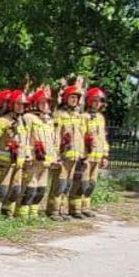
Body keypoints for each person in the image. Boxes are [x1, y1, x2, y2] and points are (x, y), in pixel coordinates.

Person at [48, 85, 86, 218]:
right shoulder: (59, 115)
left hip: (74, 157)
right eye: (72, 97)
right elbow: (55, 136)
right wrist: (55, 155)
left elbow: (80, 136)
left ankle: (62, 210)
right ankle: (53, 210)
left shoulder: (77, 116)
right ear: (66, 98)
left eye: (76, 98)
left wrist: (82, 154)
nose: (74, 100)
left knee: (67, 185)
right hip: (63, 157)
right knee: (59, 184)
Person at [71, 87, 110, 217]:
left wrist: (105, 155)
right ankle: (75, 208)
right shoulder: (84, 117)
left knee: (91, 184)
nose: (97, 103)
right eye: (95, 101)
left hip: (97, 157)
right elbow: (80, 136)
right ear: (89, 101)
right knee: (82, 183)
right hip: (86, 157)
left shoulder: (100, 118)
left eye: (99, 101)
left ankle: (85, 207)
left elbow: (103, 138)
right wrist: (82, 155)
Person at [17, 88, 52, 217]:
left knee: (41, 190)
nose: (44, 105)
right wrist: (27, 155)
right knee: (29, 188)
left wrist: (54, 158)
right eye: (41, 102)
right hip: (33, 160)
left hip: (45, 161)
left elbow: (52, 141)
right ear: (35, 103)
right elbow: (24, 137)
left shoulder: (48, 120)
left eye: (46, 102)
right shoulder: (28, 118)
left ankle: (33, 214)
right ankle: (22, 214)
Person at [0, 90, 22, 215]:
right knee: (0, 190)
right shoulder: (1, 121)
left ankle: (7, 213)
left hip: (16, 163)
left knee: (14, 190)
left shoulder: (21, 121)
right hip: (2, 162)